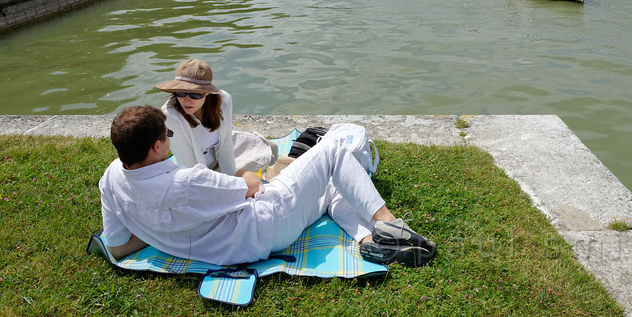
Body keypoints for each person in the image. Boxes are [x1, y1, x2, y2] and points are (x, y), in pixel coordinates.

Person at [98, 105, 437, 267]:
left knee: (327, 188)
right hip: (264, 226)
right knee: (332, 152)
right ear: (156, 147)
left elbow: (116, 245)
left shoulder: (112, 180)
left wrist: (154, 231)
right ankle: (388, 222)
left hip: (224, 248)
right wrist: (246, 176)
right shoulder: (186, 181)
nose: (169, 140)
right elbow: (250, 187)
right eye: (166, 137)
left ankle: (366, 237)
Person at [157, 59, 277, 176]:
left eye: (195, 94)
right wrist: (224, 185)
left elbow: (225, 145)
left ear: (207, 93)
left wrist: (230, 176)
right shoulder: (170, 115)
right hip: (197, 169)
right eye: (181, 93)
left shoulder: (224, 100)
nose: (187, 101)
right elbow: (193, 167)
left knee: (271, 149)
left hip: (219, 153)